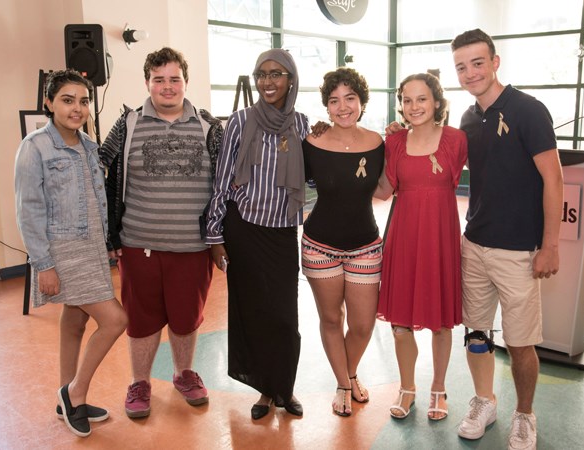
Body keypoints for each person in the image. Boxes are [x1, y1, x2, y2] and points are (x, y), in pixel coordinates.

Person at [451, 29, 563, 450]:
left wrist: (549, 245)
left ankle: (524, 415)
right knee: (477, 334)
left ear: (495, 62)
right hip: (475, 245)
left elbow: (553, 179)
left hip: (519, 251)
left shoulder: (529, 111)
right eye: (461, 66)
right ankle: (484, 402)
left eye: (477, 63)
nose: (470, 72)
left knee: (520, 344)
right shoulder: (466, 118)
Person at [99, 47, 223, 419]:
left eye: (174, 79)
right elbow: (100, 170)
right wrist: (110, 238)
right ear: (147, 83)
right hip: (139, 246)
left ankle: (183, 373)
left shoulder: (209, 127)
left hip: (192, 247)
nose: (167, 87)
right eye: (159, 79)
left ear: (186, 81)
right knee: (142, 321)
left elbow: (225, 181)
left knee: (186, 319)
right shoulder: (128, 124)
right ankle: (140, 383)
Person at [14, 69, 128, 437]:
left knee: (76, 320)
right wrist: (43, 264)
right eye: (67, 100)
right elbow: (28, 210)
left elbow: (95, 203)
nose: (77, 108)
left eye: (83, 101)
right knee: (115, 321)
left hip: (91, 248)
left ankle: (68, 399)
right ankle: (75, 392)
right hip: (63, 252)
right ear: (48, 103)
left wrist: (107, 246)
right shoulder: (35, 147)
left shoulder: (88, 146)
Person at [206, 48, 310, 420]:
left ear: (290, 80)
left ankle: (286, 385)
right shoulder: (237, 121)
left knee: (285, 315)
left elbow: (311, 174)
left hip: (282, 232)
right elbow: (221, 181)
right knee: (253, 312)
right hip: (244, 230)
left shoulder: (301, 124)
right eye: (262, 74)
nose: (268, 81)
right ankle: (266, 390)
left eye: (276, 74)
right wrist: (214, 238)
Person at [377, 73, 467, 421]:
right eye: (408, 100)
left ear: (436, 103)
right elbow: (384, 189)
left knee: (441, 322)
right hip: (403, 236)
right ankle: (407, 387)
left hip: (439, 237)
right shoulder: (395, 143)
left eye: (422, 99)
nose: (414, 107)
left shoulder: (457, 140)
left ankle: (439, 389)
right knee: (400, 322)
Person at [301, 67, 384, 417]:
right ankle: (344, 382)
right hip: (319, 244)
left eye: (350, 98)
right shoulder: (311, 143)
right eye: (334, 101)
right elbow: (291, 185)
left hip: (366, 244)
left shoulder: (379, 143)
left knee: (363, 324)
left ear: (362, 102)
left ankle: (350, 370)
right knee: (332, 319)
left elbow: (385, 190)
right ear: (326, 107)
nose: (343, 106)